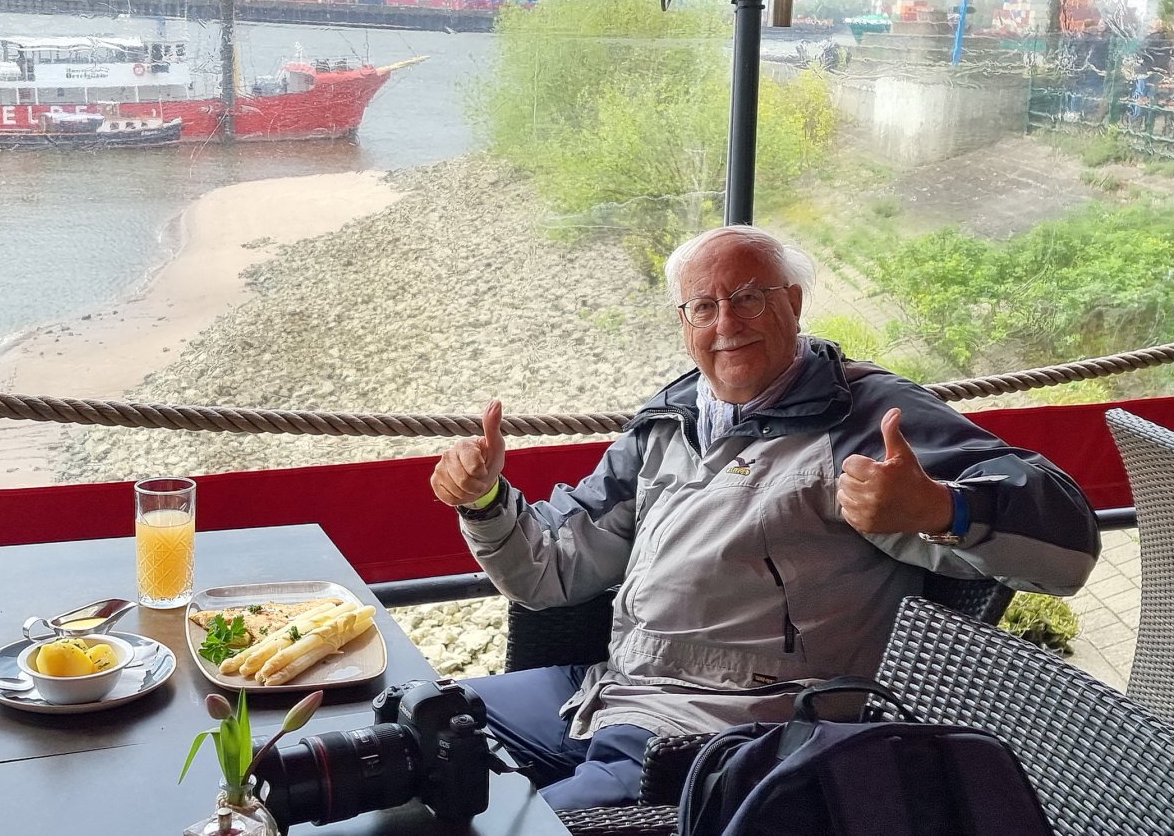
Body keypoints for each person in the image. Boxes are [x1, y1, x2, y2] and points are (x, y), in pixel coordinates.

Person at [429, 226, 1100, 812]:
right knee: (420, 729)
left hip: (726, 731)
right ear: (684, 322)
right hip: (608, 690)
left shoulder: (864, 417)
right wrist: (485, 502)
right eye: (704, 306)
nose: (727, 322)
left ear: (794, 303)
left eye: (749, 297)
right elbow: (550, 571)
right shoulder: (671, 418)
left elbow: (1067, 540)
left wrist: (941, 508)